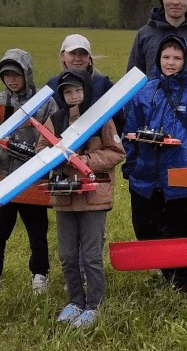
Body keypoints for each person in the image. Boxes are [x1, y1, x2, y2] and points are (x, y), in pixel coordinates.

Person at [122, 35, 187, 291]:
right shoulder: (145, 91)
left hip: (181, 177)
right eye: (166, 57)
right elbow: (130, 131)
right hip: (146, 177)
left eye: (177, 57)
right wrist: (131, 166)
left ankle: (181, 282)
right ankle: (165, 273)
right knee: (146, 229)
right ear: (158, 59)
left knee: (181, 231)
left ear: (186, 60)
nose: (171, 62)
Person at [42, 69, 126, 328]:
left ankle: (93, 305)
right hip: (64, 197)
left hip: (93, 196)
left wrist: (86, 160)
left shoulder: (100, 119)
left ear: (86, 90)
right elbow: (41, 150)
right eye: (68, 92)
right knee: (67, 255)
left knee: (90, 256)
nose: (74, 96)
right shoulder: (55, 120)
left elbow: (117, 152)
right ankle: (75, 301)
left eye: (78, 90)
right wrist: (56, 158)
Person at [0, 49, 53, 299]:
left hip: (33, 177)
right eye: (7, 75)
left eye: (16, 74)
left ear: (27, 73)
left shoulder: (45, 101)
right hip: (3, 177)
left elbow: (52, 135)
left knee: (37, 232)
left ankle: (40, 276)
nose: (11, 80)